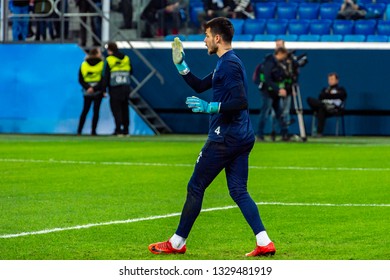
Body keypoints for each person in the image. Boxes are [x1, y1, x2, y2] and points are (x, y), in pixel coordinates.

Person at [148, 17, 276, 257]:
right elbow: (198, 85)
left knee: (196, 186)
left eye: (207, 35)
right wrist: (180, 65)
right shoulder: (227, 62)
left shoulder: (229, 64)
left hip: (224, 138)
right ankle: (264, 242)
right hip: (241, 136)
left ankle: (177, 243)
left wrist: (211, 108)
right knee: (238, 190)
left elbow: (241, 101)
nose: (204, 40)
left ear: (217, 38)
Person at [257, 47, 291, 142]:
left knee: (279, 113)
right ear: (280, 53)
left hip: (274, 92)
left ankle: (284, 134)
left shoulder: (278, 63)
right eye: (284, 55)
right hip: (267, 92)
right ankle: (259, 134)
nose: (285, 57)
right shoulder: (269, 62)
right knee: (265, 113)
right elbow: (267, 79)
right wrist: (279, 89)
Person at [103, 42, 132, 136]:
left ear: (110, 50)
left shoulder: (109, 59)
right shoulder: (126, 58)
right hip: (126, 87)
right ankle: (126, 130)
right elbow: (131, 71)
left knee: (116, 109)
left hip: (115, 88)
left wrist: (104, 89)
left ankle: (118, 129)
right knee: (125, 108)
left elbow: (106, 76)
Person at [307, 72, 347, 137]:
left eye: (332, 79)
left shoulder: (341, 89)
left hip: (334, 108)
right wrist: (331, 95)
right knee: (310, 100)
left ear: (337, 80)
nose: (330, 81)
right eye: (329, 79)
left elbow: (341, 96)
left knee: (320, 109)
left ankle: (319, 132)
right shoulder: (325, 89)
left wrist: (328, 95)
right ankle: (319, 133)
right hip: (324, 106)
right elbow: (320, 96)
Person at [77, 47, 105, 135]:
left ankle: (79, 131)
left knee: (85, 111)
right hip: (98, 91)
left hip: (87, 91)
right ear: (97, 54)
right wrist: (95, 88)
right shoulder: (102, 64)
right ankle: (93, 131)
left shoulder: (83, 64)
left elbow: (80, 79)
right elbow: (103, 79)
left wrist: (88, 87)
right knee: (96, 111)